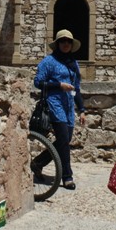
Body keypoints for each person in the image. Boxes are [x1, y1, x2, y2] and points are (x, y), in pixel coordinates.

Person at [32, 29, 87, 190]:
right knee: (63, 139)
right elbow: (38, 82)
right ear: (57, 44)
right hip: (54, 103)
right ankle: (67, 176)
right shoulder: (48, 62)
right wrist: (58, 85)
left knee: (65, 140)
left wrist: (82, 109)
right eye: (62, 41)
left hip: (68, 106)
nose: (65, 44)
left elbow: (76, 88)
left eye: (68, 42)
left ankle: (37, 163)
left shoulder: (73, 63)